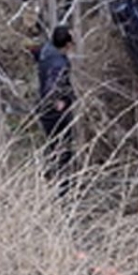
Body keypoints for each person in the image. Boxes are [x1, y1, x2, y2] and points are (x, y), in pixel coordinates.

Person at [37, 25, 77, 191]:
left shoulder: (46, 52)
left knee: (54, 146)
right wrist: (58, 102)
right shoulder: (58, 64)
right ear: (67, 44)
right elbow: (51, 87)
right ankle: (63, 188)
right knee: (62, 150)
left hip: (45, 111)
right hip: (54, 114)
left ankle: (51, 179)